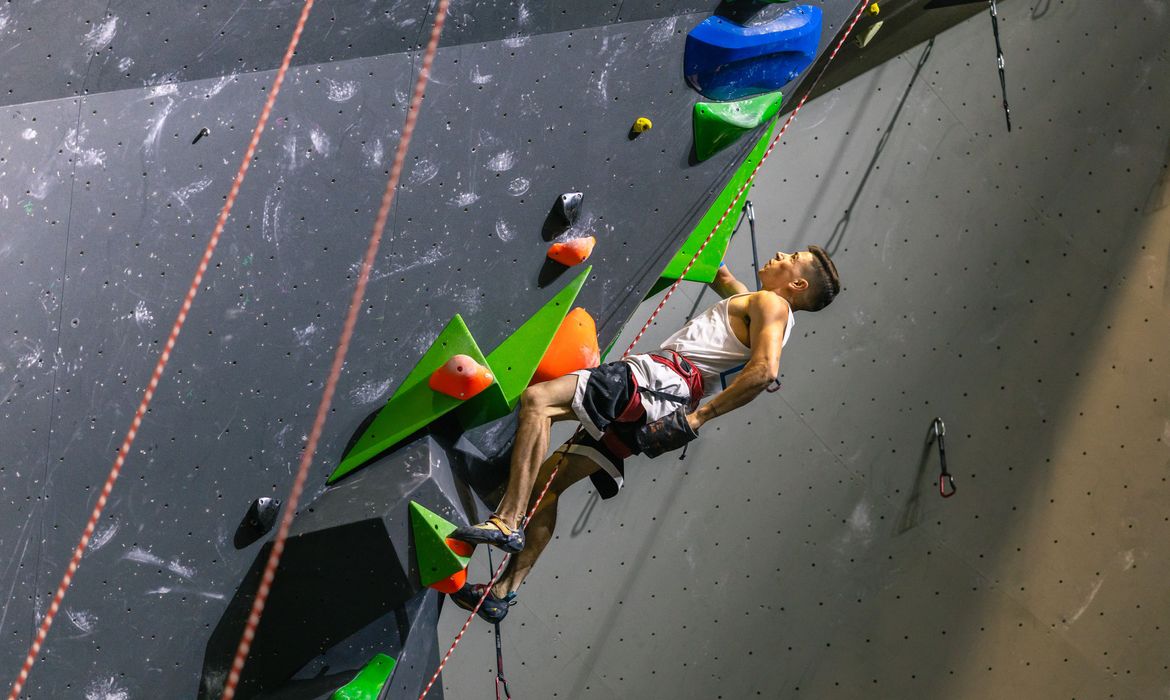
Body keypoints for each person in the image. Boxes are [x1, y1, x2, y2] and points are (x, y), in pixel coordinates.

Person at [449, 247, 841, 622]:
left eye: (792, 259)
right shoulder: (758, 304)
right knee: (547, 488)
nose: (780, 255)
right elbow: (720, 275)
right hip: (664, 402)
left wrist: (700, 418)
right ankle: (502, 594)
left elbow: (765, 371)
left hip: (656, 380)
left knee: (539, 400)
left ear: (799, 286)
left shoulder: (773, 306)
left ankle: (508, 520)